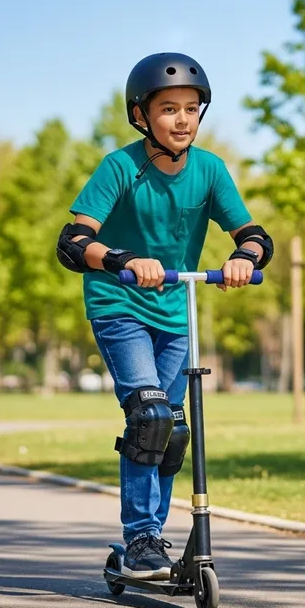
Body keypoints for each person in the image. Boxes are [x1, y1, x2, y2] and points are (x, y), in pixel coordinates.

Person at [56, 53, 273, 579]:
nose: (182, 119)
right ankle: (141, 539)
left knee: (173, 430)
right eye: (169, 108)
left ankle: (155, 534)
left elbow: (255, 236)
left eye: (192, 108)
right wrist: (124, 260)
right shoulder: (120, 167)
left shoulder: (210, 170)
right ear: (141, 115)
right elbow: (73, 242)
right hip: (120, 304)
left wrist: (244, 260)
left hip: (179, 311)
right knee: (148, 416)